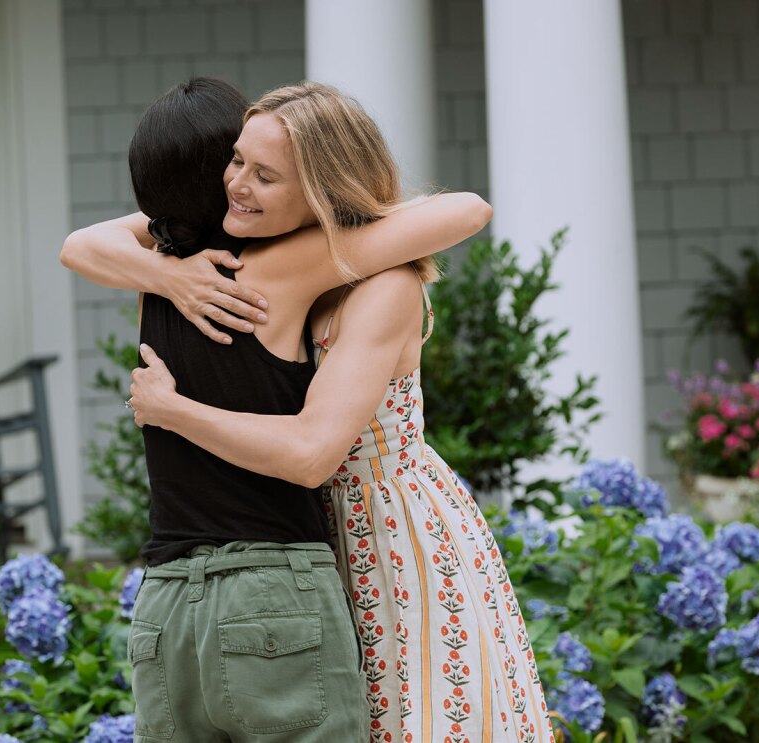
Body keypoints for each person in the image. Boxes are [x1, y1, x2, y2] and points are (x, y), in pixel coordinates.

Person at [61, 78, 491, 742]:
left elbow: (78, 244)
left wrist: (168, 275)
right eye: (237, 163)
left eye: (264, 172)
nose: (240, 183)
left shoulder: (150, 273)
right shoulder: (288, 266)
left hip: (164, 599)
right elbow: (463, 210)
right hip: (273, 584)